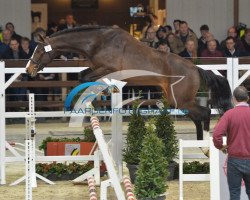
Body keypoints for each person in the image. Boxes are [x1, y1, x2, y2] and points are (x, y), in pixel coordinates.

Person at [213, 86, 250, 200]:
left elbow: (216, 135)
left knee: (234, 193)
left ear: (233, 99)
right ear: (247, 98)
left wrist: (221, 147)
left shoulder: (229, 114)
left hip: (234, 160)